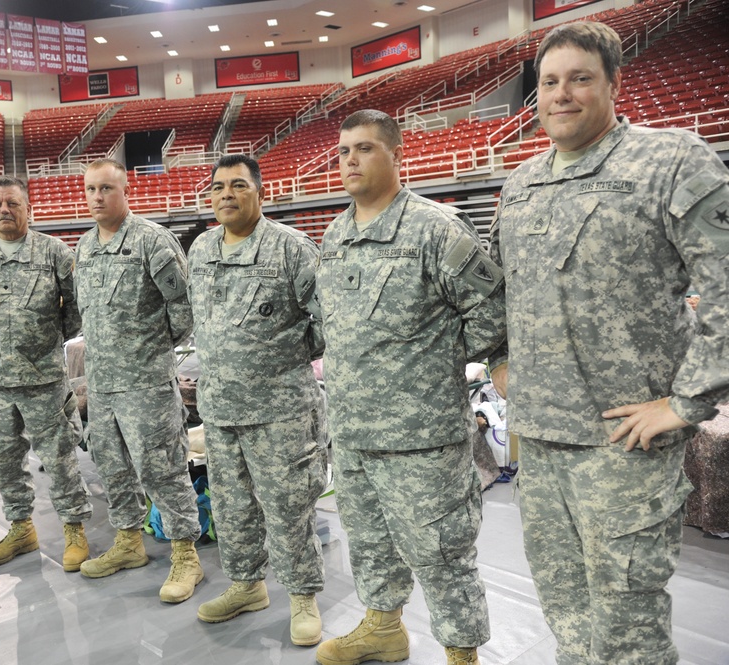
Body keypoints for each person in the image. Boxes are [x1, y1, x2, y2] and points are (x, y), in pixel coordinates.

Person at [487, 21, 729, 665]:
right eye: (549, 82)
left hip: (623, 447)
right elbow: (500, 293)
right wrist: (499, 358)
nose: (561, 94)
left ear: (614, 85)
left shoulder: (670, 160)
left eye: (579, 79)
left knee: (628, 632)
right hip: (539, 445)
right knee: (566, 614)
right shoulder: (520, 184)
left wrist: (685, 402)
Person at [315, 109, 506, 665]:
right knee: (369, 542)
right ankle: (382, 626)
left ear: (397, 154)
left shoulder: (435, 228)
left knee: (442, 553)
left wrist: (430, 366)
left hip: (421, 438)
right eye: (344, 150)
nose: (351, 159)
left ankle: (461, 654)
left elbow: (491, 316)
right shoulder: (335, 233)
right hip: (352, 431)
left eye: (365, 148)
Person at [187, 154, 328, 645]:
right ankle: (247, 585)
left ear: (260, 193)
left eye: (239, 186)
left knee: (289, 508)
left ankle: (303, 595)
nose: (227, 194)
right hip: (221, 409)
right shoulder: (201, 248)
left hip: (280, 411)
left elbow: (328, 320)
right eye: (219, 186)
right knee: (230, 507)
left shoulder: (290, 248)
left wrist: (282, 354)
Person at [74, 158, 202, 603]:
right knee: (112, 468)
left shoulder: (152, 240)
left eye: (105, 188)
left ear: (124, 190)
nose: (96, 197)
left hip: (146, 384)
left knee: (162, 469)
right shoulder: (84, 246)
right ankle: (128, 543)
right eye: (90, 189)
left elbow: (183, 312)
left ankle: (186, 554)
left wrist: (147, 353)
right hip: (104, 386)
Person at [0, 176, 92, 572]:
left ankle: (74, 529)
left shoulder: (54, 252)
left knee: (59, 457)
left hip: (44, 379)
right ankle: (21, 529)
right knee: (4, 460)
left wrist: (48, 338)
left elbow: (77, 306)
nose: (4, 210)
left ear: (28, 208)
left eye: (12, 204)